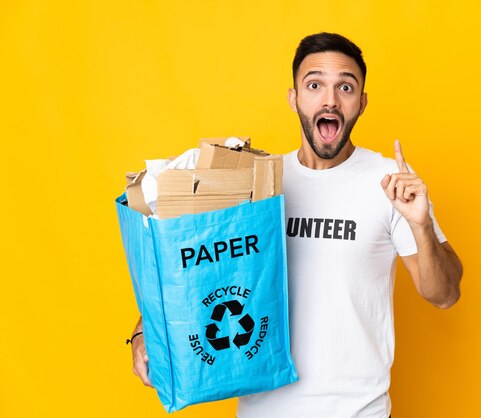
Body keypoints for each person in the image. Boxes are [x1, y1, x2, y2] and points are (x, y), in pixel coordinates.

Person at [129, 32, 463, 417]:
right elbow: (190, 266)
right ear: (294, 98)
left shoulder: (390, 183)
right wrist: (143, 332)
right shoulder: (260, 182)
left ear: (362, 103)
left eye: (346, 87)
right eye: (315, 84)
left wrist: (421, 226)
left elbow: (445, 294)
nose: (330, 99)